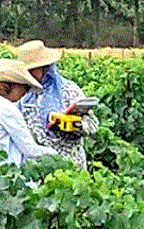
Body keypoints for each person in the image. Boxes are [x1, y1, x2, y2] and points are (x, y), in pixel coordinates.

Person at [14, 40, 99, 169]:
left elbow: (92, 124)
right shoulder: (21, 94)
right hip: (37, 169)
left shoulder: (68, 90)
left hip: (70, 165)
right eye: (26, 70)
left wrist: (75, 125)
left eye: (33, 69)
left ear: (45, 67)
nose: (29, 74)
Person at [0, 58, 60, 175]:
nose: (26, 92)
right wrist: (56, 155)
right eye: (25, 87)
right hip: (10, 176)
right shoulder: (7, 109)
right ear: (9, 86)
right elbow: (30, 150)